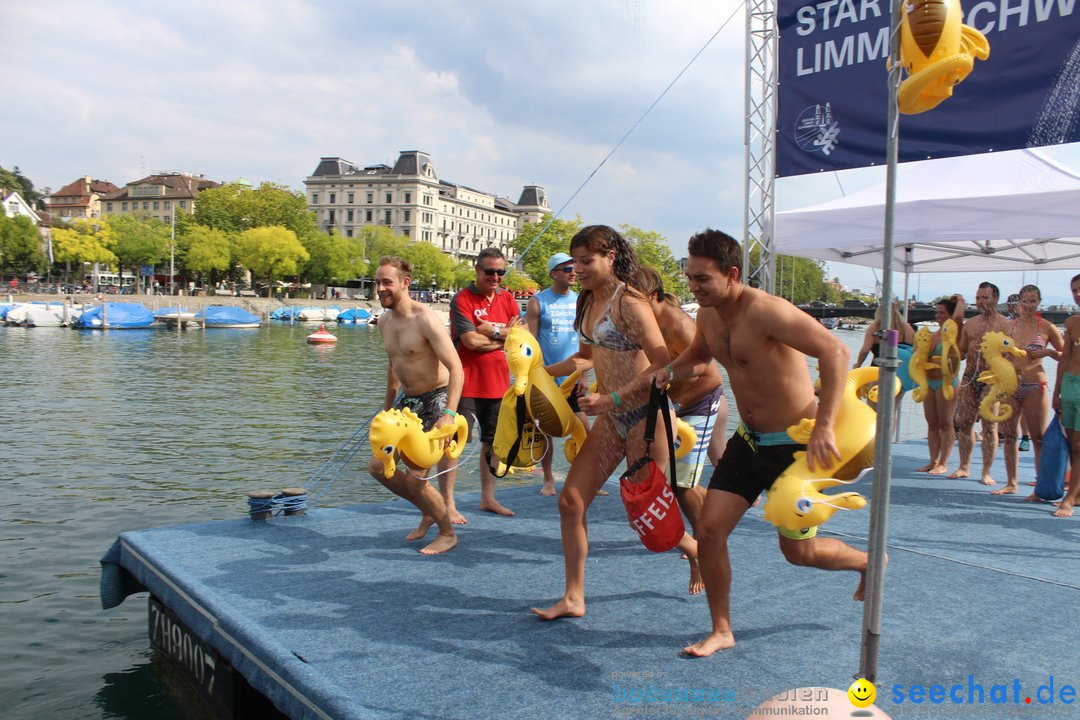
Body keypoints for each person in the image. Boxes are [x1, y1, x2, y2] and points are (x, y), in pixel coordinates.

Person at [651, 229, 868, 657]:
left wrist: (824, 426)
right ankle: (722, 630)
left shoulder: (768, 311)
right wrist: (669, 371)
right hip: (749, 443)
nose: (693, 287)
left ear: (732, 274)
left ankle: (866, 563)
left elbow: (836, 352)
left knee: (798, 552)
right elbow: (699, 355)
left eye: (702, 279)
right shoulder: (709, 315)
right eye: (689, 277)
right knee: (710, 531)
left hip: (795, 448)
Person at [532, 225, 700, 619]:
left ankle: (694, 550)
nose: (579, 270)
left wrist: (612, 398)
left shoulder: (631, 302)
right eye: (575, 262)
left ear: (610, 257)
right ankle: (574, 598)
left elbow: (663, 366)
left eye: (587, 261)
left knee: (644, 516)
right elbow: (582, 359)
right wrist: (533, 375)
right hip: (611, 418)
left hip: (648, 417)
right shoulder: (587, 302)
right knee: (571, 501)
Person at [366, 256, 464, 555]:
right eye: (377, 282)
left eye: (387, 282)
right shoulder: (384, 321)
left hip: (437, 399)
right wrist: (386, 409)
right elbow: (393, 367)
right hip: (405, 403)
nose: (380, 288)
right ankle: (428, 511)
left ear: (405, 284)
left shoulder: (426, 319)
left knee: (417, 478)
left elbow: (457, 368)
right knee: (379, 468)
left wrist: (448, 415)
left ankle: (447, 532)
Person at [448, 247, 520, 517]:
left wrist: (492, 330)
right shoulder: (462, 299)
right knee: (453, 444)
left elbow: (521, 337)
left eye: (501, 272)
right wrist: (504, 337)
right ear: (477, 270)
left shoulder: (508, 299)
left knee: (492, 444)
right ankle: (448, 503)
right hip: (464, 383)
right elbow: (470, 342)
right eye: (490, 272)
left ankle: (487, 498)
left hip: (499, 385)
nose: (496, 277)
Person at [525, 252, 589, 496]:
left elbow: (586, 343)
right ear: (553, 273)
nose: (573, 272)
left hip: (574, 377)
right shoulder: (538, 302)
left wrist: (584, 375)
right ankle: (549, 479)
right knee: (545, 433)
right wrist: (534, 376)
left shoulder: (581, 300)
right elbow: (530, 341)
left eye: (574, 268)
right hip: (546, 378)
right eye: (566, 269)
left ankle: (583, 480)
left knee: (584, 431)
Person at [948, 282, 1018, 488]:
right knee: (964, 422)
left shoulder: (1006, 325)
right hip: (970, 377)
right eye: (978, 298)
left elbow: (1013, 356)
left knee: (990, 426)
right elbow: (960, 352)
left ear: (995, 299)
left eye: (984, 298)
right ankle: (963, 466)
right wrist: (944, 359)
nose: (980, 302)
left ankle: (986, 471)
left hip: (993, 381)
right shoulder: (971, 324)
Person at [1008, 285, 1063, 497]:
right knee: (1010, 435)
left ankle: (1041, 487)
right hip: (1012, 384)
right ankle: (1012, 483)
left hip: (1035, 384)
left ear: (1039, 302)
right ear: (1019, 302)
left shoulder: (1048, 327)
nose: (1029, 305)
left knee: (1038, 438)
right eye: (1025, 301)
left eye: (1033, 301)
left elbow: (1064, 355)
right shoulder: (1010, 327)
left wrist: (1048, 351)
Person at [915, 295, 965, 474]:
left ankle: (943, 462)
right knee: (932, 423)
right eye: (936, 312)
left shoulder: (954, 332)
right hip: (929, 382)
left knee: (946, 423)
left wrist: (960, 302)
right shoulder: (933, 335)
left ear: (950, 315)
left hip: (947, 382)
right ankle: (932, 461)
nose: (938, 316)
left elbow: (958, 318)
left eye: (942, 313)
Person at [854, 300, 916, 429]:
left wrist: (858, 365)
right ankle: (888, 444)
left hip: (878, 371)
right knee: (892, 411)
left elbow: (865, 349)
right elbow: (917, 350)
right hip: (901, 373)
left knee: (873, 410)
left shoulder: (877, 326)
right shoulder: (907, 328)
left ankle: (874, 444)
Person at [1052, 274, 1080, 517]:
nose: (1077, 294)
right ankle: (1077, 492)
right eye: (1074, 290)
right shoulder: (1071, 323)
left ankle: (1070, 497)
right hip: (1070, 384)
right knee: (1072, 443)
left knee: (1079, 444)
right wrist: (1057, 391)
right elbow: (1064, 359)